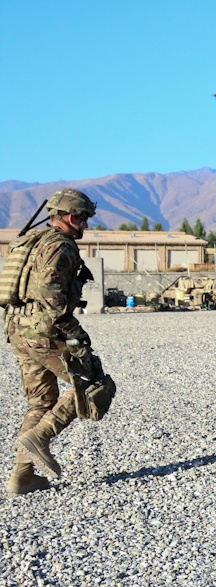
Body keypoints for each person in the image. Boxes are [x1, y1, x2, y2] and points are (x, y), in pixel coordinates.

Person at [6, 188, 103, 494]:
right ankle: (40, 437)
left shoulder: (30, 240)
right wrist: (72, 331)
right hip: (43, 330)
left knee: (41, 401)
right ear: (72, 216)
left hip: (17, 329)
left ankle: (22, 476)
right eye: (84, 218)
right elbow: (49, 292)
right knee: (92, 384)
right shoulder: (61, 246)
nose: (86, 225)